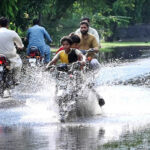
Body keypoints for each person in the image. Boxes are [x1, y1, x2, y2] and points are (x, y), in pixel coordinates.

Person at [0, 17, 24, 97]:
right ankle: (16, 79)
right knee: (19, 63)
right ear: (7, 25)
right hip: (10, 57)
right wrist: (20, 47)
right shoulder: (12, 33)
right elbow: (20, 44)